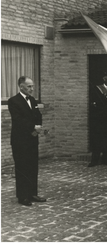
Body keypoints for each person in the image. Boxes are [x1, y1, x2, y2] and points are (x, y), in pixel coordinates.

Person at [8, 76, 46, 206]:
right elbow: (18, 120)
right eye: (29, 86)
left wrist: (38, 128)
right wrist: (32, 127)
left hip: (32, 138)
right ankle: (23, 196)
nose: (32, 89)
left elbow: (38, 116)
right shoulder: (13, 101)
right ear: (21, 86)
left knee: (32, 167)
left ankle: (32, 193)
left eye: (32, 86)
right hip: (20, 141)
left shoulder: (33, 100)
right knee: (22, 167)